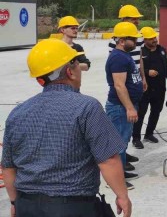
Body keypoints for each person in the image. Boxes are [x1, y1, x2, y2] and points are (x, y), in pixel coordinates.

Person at [1, 39, 132, 217]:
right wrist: (122, 196)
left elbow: (8, 167)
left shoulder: (17, 113)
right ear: (70, 71)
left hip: (27, 206)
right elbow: (108, 159)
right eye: (77, 65)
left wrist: (15, 202)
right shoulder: (87, 107)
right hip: (72, 207)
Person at [105, 22, 144, 189]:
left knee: (123, 141)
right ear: (122, 40)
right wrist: (129, 108)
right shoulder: (118, 58)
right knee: (118, 144)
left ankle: (120, 171)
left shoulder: (124, 55)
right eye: (132, 39)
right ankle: (115, 180)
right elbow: (119, 86)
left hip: (125, 106)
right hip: (120, 108)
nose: (135, 42)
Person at [132, 27, 167, 149]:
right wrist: (147, 72)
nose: (154, 40)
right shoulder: (140, 52)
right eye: (150, 38)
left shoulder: (162, 50)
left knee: (156, 111)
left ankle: (149, 133)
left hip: (160, 88)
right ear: (144, 40)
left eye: (154, 37)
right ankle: (136, 138)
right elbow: (135, 68)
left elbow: (166, 66)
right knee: (141, 113)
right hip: (145, 89)